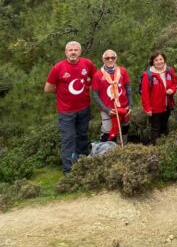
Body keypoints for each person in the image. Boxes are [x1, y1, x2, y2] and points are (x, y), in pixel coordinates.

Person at [45, 41, 97, 173]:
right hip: (66, 111)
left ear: (80, 52)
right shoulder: (58, 67)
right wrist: (63, 93)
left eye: (76, 50)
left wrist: (87, 89)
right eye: (70, 50)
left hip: (84, 108)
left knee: (82, 136)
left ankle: (83, 165)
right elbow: (48, 88)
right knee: (68, 139)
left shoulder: (87, 64)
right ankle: (69, 171)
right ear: (66, 52)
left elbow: (95, 79)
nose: (73, 52)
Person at [90, 49, 131, 144]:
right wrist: (106, 109)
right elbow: (95, 94)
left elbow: (128, 88)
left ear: (116, 59)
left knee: (124, 128)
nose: (110, 60)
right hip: (107, 109)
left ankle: (122, 150)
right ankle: (106, 152)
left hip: (123, 107)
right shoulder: (98, 75)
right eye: (107, 58)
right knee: (108, 132)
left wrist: (130, 105)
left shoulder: (122, 71)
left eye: (113, 57)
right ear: (103, 60)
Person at [140, 51, 177, 144]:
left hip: (167, 105)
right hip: (154, 108)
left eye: (161, 59)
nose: (159, 62)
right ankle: (155, 148)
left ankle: (165, 146)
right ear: (152, 62)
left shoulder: (169, 71)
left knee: (164, 126)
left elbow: (175, 83)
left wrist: (172, 90)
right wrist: (147, 108)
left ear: (164, 60)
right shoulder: (148, 75)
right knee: (155, 128)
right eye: (156, 60)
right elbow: (145, 94)